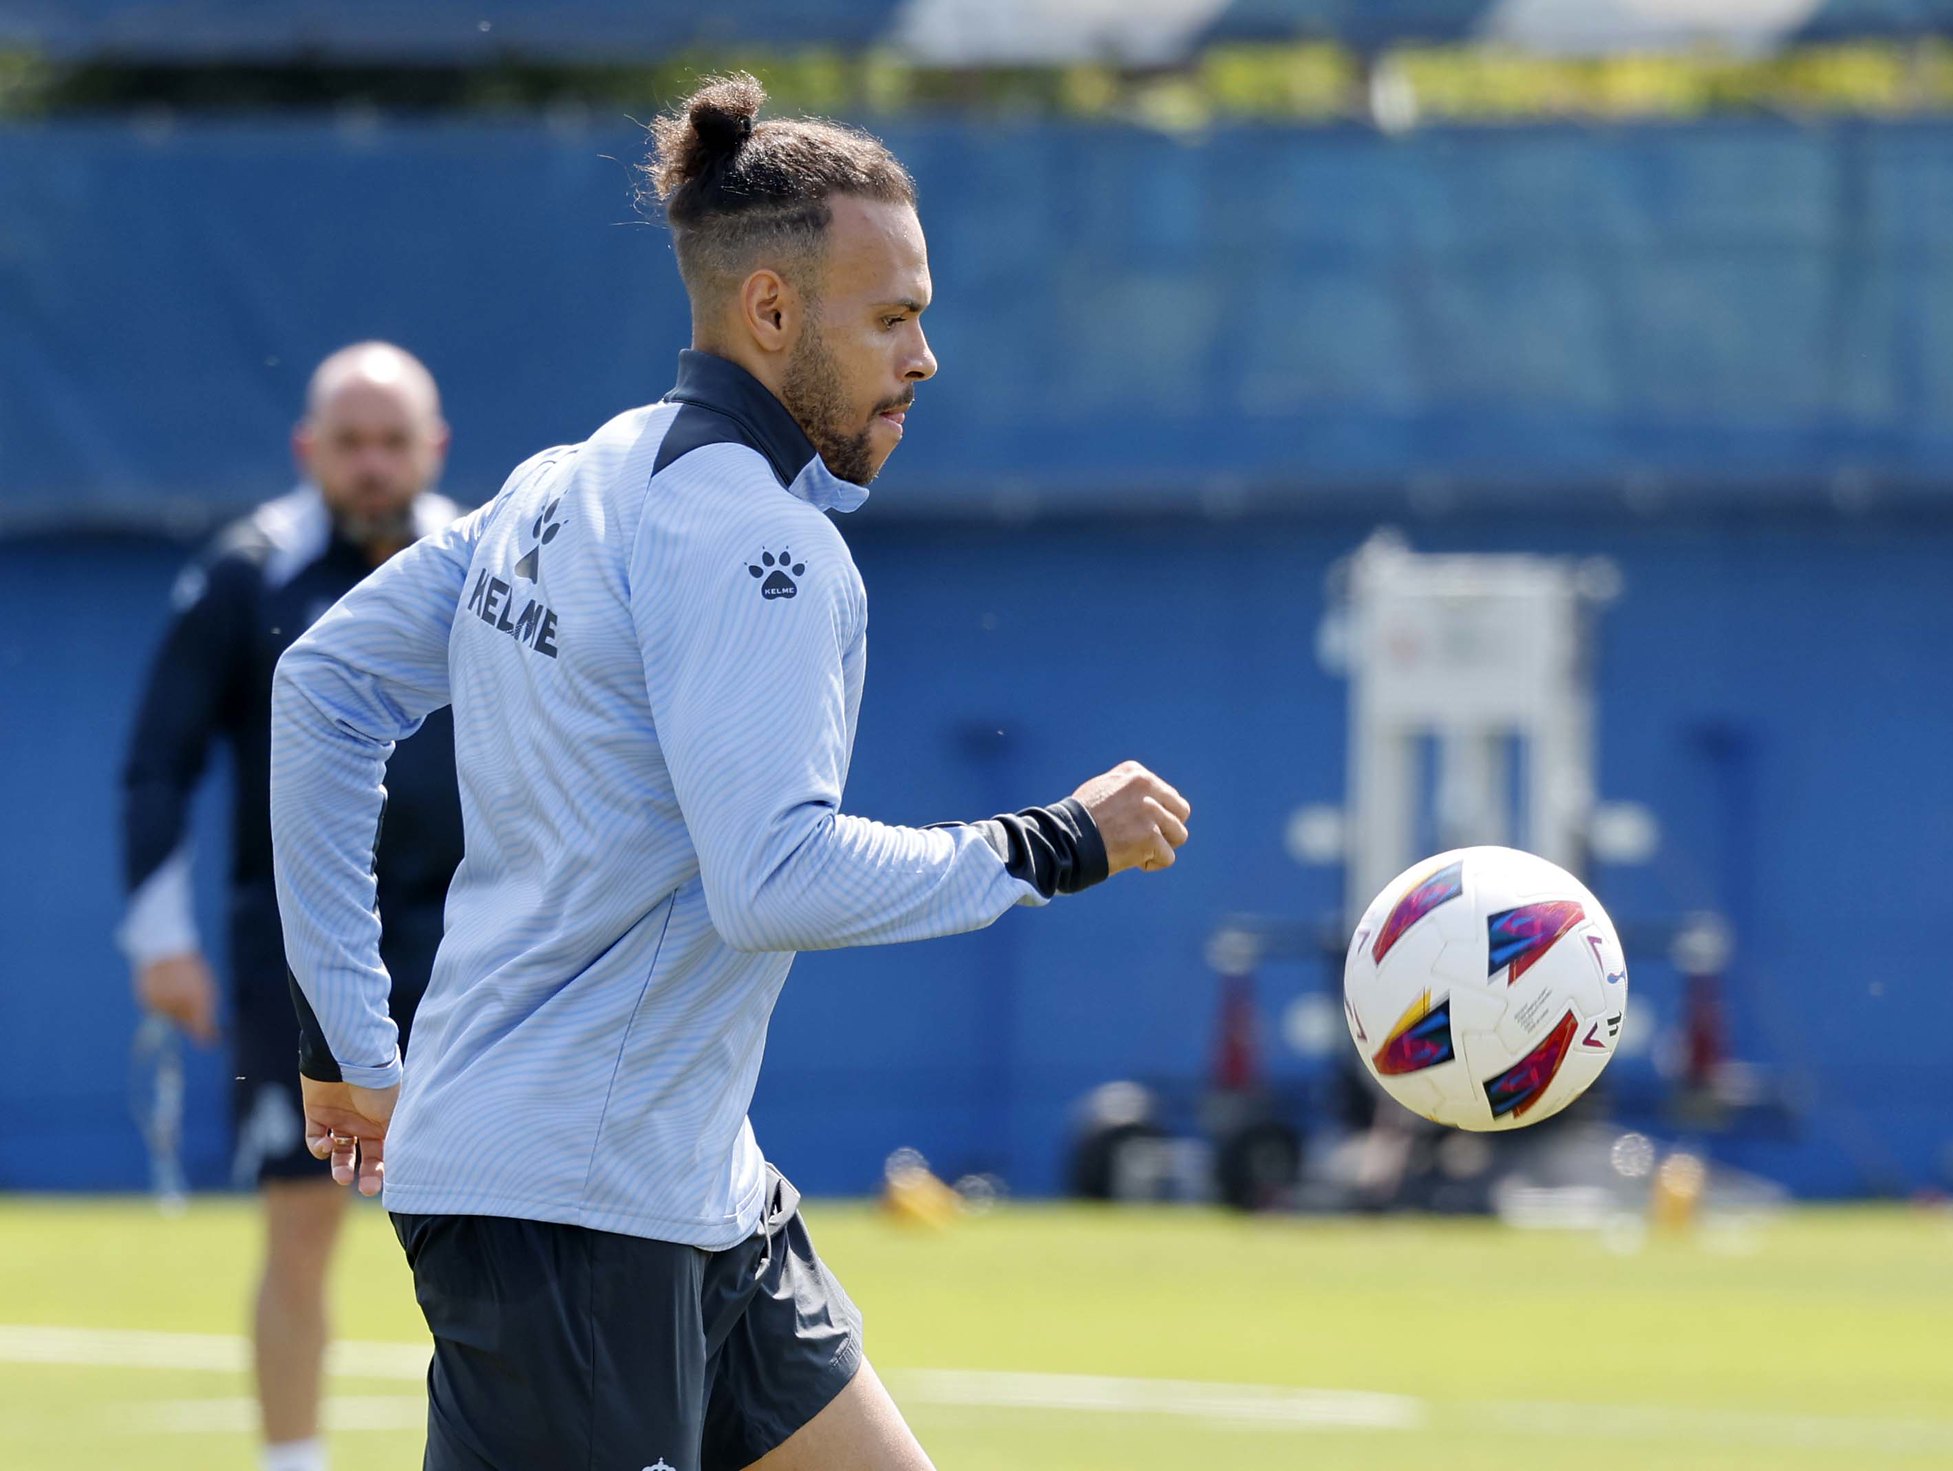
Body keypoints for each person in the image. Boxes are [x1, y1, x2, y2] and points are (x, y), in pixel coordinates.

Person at [270, 74, 1191, 1471]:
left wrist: (346, 1034)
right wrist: (1053, 840)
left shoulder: (564, 478)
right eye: (893, 318)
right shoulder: (761, 542)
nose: (925, 356)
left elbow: (324, 687)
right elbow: (773, 877)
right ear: (770, 310)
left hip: (692, 1188)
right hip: (574, 1214)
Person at [119, 342, 463, 1471]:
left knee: (501, 1225)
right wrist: (162, 941)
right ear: (308, 449)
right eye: (350, 443)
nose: (372, 466)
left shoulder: (493, 561)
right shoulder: (246, 573)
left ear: (433, 448)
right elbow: (157, 763)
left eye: (392, 442)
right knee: (301, 1220)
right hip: (297, 956)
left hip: (473, 948)